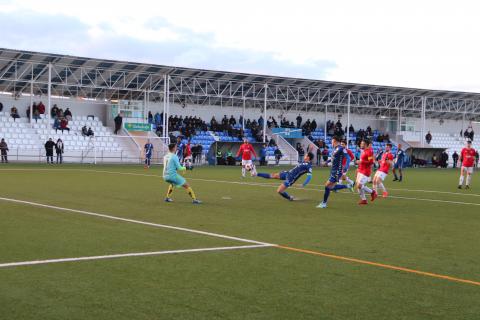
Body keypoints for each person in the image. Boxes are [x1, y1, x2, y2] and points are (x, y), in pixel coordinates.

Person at [317, 136, 352, 208]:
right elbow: (333, 158)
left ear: (335, 141)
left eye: (332, 141)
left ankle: (324, 203)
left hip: (337, 171)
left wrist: (346, 166)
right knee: (331, 187)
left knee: (327, 186)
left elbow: (348, 157)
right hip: (332, 170)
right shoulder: (335, 149)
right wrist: (327, 162)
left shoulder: (341, 148)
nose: (331, 143)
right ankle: (347, 186)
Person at [356, 139, 377, 205]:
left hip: (365, 171)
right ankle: (364, 200)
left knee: (359, 185)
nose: (361, 145)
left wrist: (361, 162)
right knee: (358, 185)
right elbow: (362, 161)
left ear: (366, 145)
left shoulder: (369, 152)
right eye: (361, 143)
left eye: (362, 144)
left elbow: (371, 162)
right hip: (360, 170)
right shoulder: (363, 151)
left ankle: (372, 192)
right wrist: (358, 167)